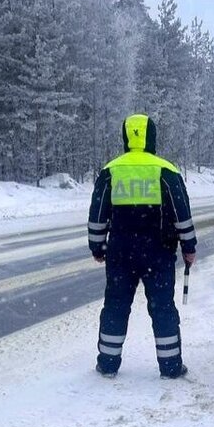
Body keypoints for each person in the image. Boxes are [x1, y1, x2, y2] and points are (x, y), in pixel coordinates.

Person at [87, 114, 196, 379]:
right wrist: (189, 246)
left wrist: (97, 247)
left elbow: (98, 212)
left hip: (120, 253)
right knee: (162, 308)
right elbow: (181, 212)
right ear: (152, 137)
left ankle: (108, 363)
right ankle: (170, 367)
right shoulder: (166, 170)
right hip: (159, 253)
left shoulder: (111, 170)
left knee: (115, 305)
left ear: (125, 137)